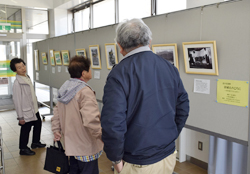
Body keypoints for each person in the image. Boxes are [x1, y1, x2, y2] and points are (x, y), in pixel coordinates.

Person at [101, 18, 189, 174]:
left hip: (138, 161)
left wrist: (115, 159)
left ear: (120, 47)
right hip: (168, 155)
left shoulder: (119, 74)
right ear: (149, 41)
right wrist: (172, 134)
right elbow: (183, 106)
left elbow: (113, 122)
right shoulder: (169, 67)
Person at [51, 56, 103, 174]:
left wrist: (56, 129)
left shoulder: (65, 88)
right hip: (85, 145)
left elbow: (57, 111)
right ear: (84, 73)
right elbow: (91, 120)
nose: (91, 72)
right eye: (90, 69)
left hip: (71, 145)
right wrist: (101, 135)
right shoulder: (85, 91)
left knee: (74, 169)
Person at [10, 58, 46, 156]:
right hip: (26, 111)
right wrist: (20, 117)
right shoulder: (17, 83)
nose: (23, 68)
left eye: (23, 66)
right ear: (15, 70)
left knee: (38, 124)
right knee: (26, 129)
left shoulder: (27, 76)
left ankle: (35, 142)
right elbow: (17, 101)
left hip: (34, 108)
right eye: (19, 67)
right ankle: (23, 148)